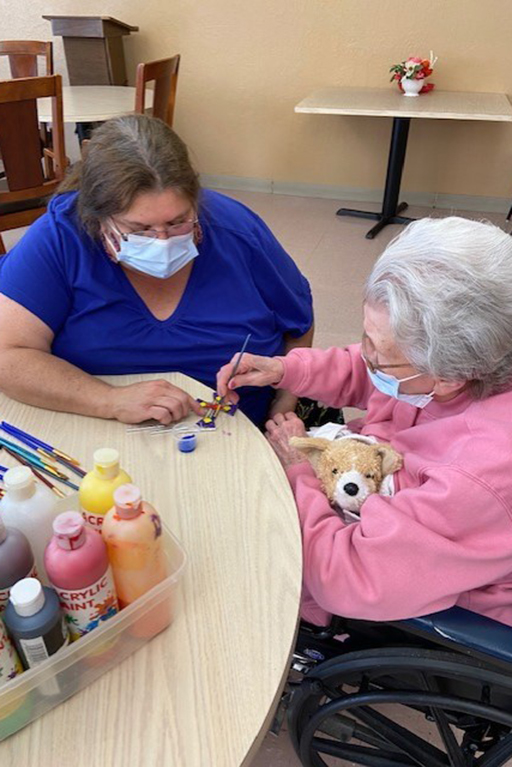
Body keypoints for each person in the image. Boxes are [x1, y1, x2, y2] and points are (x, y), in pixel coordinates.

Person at [217, 216, 512, 627]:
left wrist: (298, 472)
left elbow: (346, 577)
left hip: (429, 598)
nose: (365, 353)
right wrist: (284, 370)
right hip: (378, 493)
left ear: (449, 375)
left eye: (377, 349)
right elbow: (369, 368)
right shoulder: (463, 355)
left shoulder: (479, 473)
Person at [0, 115, 313, 427]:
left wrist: (283, 405)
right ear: (98, 218)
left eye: (178, 221)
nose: (163, 241)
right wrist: (109, 400)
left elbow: (298, 327)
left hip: (240, 428)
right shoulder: (61, 239)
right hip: (99, 427)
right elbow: (8, 357)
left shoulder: (236, 231)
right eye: (140, 229)